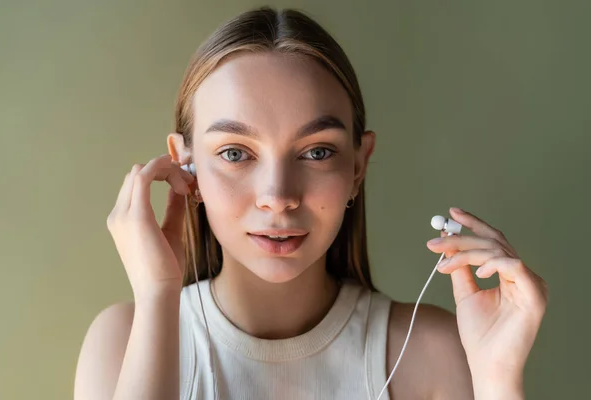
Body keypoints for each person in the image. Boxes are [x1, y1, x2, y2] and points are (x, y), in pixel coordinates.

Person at [73, 6, 548, 400]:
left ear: (358, 167)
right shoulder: (120, 343)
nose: (278, 197)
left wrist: (498, 379)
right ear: (186, 168)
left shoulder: (434, 351)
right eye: (236, 153)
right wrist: (158, 295)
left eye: (317, 152)